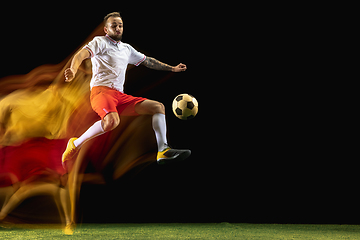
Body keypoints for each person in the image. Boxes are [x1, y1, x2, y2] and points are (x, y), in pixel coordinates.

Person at [62, 12, 190, 167]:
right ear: (106, 29)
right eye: (114, 25)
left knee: (158, 107)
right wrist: (73, 70)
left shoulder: (127, 49)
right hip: (101, 92)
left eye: (120, 25)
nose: (118, 28)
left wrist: (172, 68)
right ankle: (75, 144)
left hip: (119, 96)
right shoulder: (99, 42)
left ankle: (163, 150)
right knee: (112, 121)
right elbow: (80, 55)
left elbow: (148, 61)